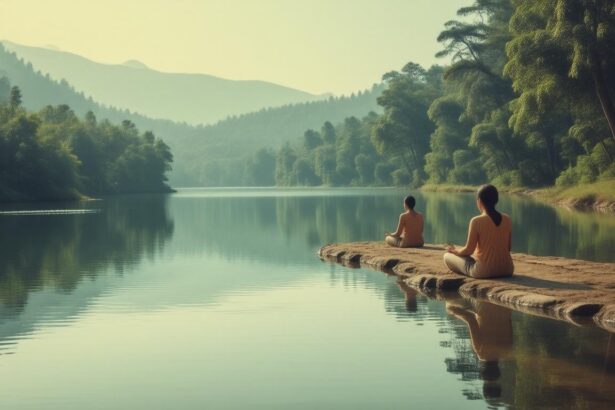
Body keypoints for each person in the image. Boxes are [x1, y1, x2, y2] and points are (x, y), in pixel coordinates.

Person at [443, 184, 514, 278]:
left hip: (484, 272)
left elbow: (468, 251)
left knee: (447, 256)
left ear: (479, 201)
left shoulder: (476, 221)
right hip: (507, 269)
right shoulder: (507, 219)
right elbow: (508, 248)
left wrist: (454, 251)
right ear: (496, 200)